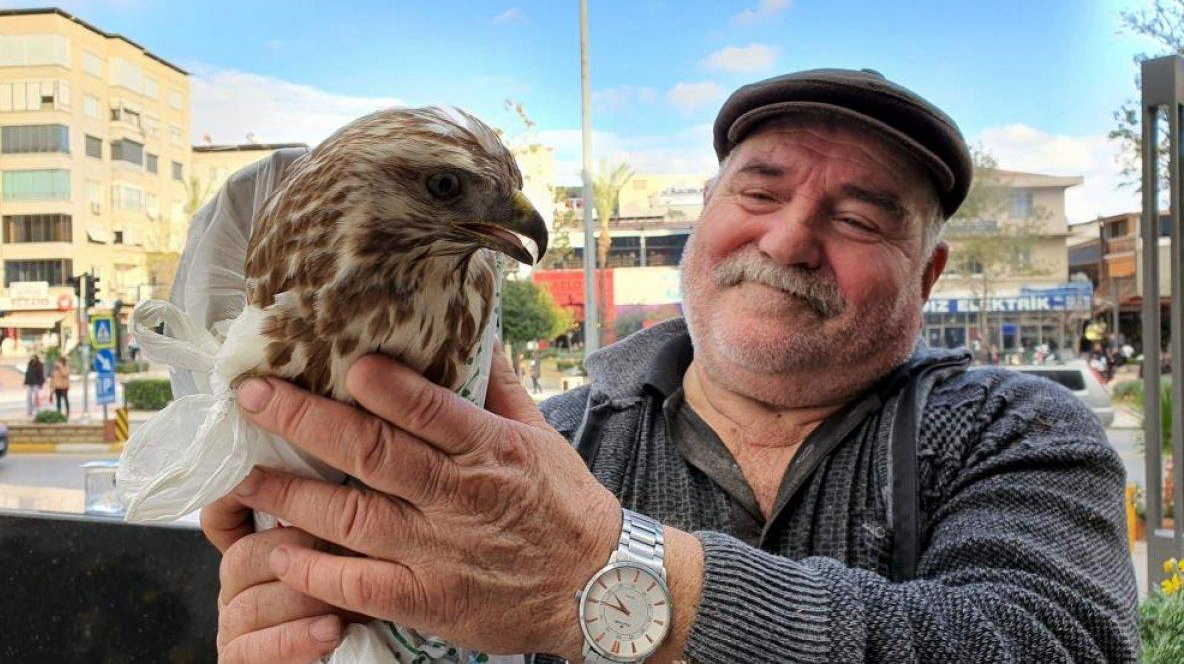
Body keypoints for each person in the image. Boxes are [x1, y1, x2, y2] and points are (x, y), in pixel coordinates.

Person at [193, 69, 1137, 662]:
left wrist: (613, 577)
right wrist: (315, 627)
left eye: (858, 217)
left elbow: (1050, 643)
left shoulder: (1013, 428)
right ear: (703, 219)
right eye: (758, 190)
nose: (789, 237)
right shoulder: (543, 442)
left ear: (927, 275)